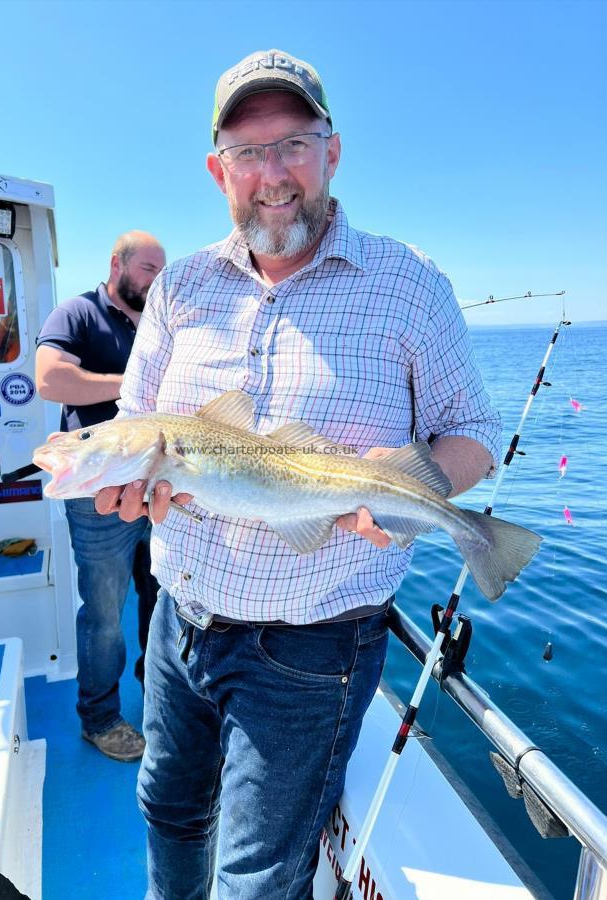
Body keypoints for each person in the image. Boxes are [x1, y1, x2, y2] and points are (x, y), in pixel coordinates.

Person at [96, 50, 501, 896]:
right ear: (218, 171)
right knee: (167, 809)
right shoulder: (178, 288)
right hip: (180, 620)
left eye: (293, 143)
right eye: (247, 153)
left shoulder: (410, 283)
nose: (271, 174)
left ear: (332, 150)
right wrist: (128, 483)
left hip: (311, 647)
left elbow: (470, 432)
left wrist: (407, 500)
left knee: (256, 876)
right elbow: (140, 424)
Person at [35, 230, 166, 761]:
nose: (157, 281)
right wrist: (129, 386)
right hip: (97, 500)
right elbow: (51, 380)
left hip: (158, 489)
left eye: (162, 271)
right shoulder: (77, 314)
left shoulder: (161, 327)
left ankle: (160, 704)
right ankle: (101, 717)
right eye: (149, 270)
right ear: (117, 264)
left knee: (164, 604)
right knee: (106, 614)